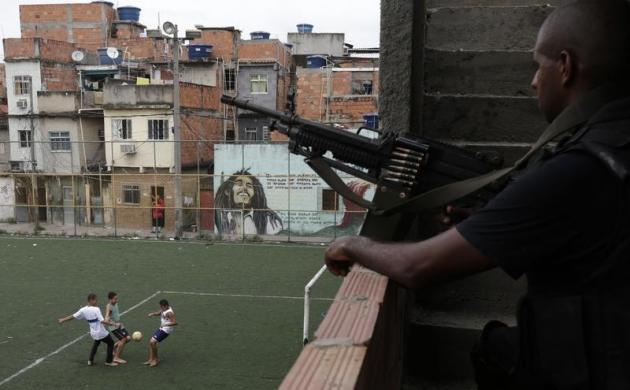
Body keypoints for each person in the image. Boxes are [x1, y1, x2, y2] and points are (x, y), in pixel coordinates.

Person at [324, 1, 630, 389]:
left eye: (539, 66)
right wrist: (491, 222)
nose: (535, 81)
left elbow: (418, 267)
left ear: (566, 67)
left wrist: (352, 245)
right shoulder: (611, 148)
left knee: (496, 350)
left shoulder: (580, 169)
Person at [58, 293, 120, 367]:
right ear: (91, 300)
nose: (97, 302)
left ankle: (90, 360)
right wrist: (115, 324)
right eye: (95, 300)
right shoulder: (96, 309)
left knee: (96, 343)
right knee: (111, 343)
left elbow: (73, 316)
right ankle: (109, 361)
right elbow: (102, 321)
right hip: (101, 332)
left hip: (93, 332)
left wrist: (63, 320)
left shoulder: (83, 309)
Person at [214, 169, 283, 236]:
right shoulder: (220, 217)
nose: (244, 188)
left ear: (255, 193)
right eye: (239, 184)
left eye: (249, 186)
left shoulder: (269, 221)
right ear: (227, 191)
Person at [144, 299, 177, 367]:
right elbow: (159, 313)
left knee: (152, 342)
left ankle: (156, 359)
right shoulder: (164, 309)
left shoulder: (169, 313)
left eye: (162, 307)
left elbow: (175, 322)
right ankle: (151, 359)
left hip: (166, 330)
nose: (161, 308)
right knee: (151, 342)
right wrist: (152, 314)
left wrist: (165, 325)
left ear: (166, 306)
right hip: (162, 328)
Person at [104, 291, 131, 364]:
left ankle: (114, 348)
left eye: (117, 298)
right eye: (115, 299)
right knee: (123, 339)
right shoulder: (109, 307)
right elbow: (106, 319)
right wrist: (115, 324)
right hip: (114, 327)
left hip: (119, 325)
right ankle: (116, 358)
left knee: (128, 338)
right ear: (110, 300)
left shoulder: (115, 303)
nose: (117, 300)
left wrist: (119, 323)